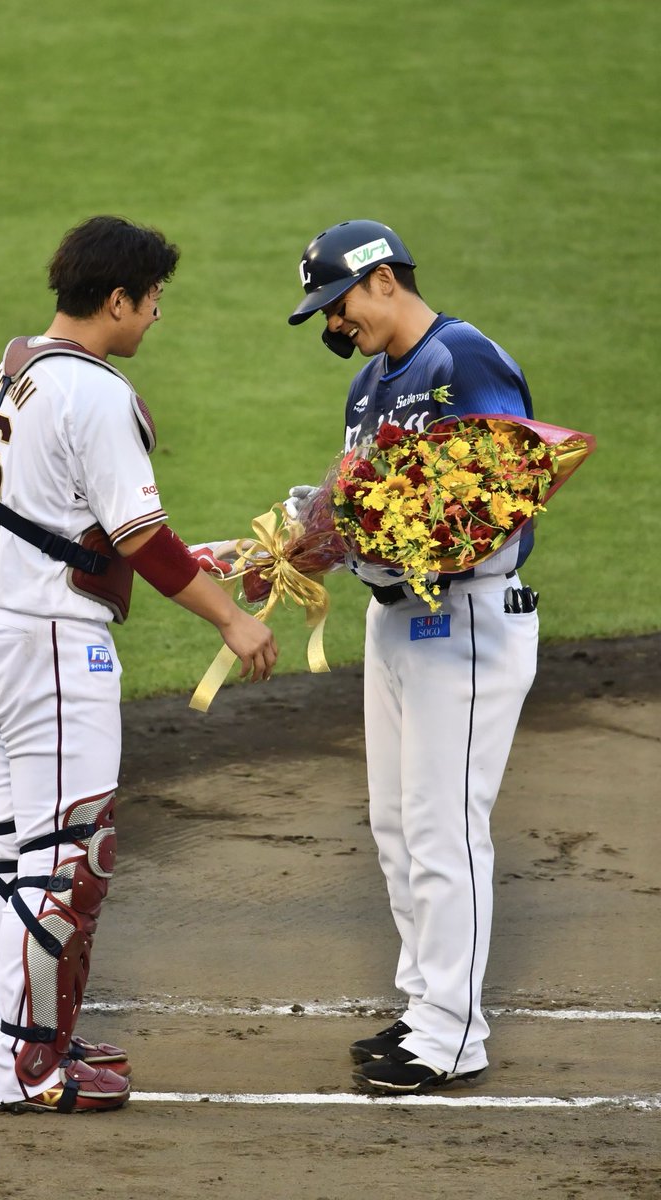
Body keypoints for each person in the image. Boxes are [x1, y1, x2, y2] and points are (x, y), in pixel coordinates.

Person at [0, 215, 277, 1114]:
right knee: (70, 864)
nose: (155, 319)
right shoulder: (94, 393)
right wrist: (232, 622)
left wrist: (206, 560)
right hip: (49, 649)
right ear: (116, 299)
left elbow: (71, 525)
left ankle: (25, 1037)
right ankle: (27, 1065)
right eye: (152, 302)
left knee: (16, 854)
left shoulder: (19, 365)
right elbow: (137, 534)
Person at [286, 219, 539, 1095]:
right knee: (399, 828)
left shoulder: (460, 360)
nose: (333, 323)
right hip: (393, 621)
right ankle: (427, 1003)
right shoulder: (367, 385)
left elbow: (503, 493)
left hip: (464, 619)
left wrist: (400, 538)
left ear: (384, 280)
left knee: (441, 825)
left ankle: (453, 1034)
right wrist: (308, 542)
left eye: (338, 303)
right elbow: (360, 506)